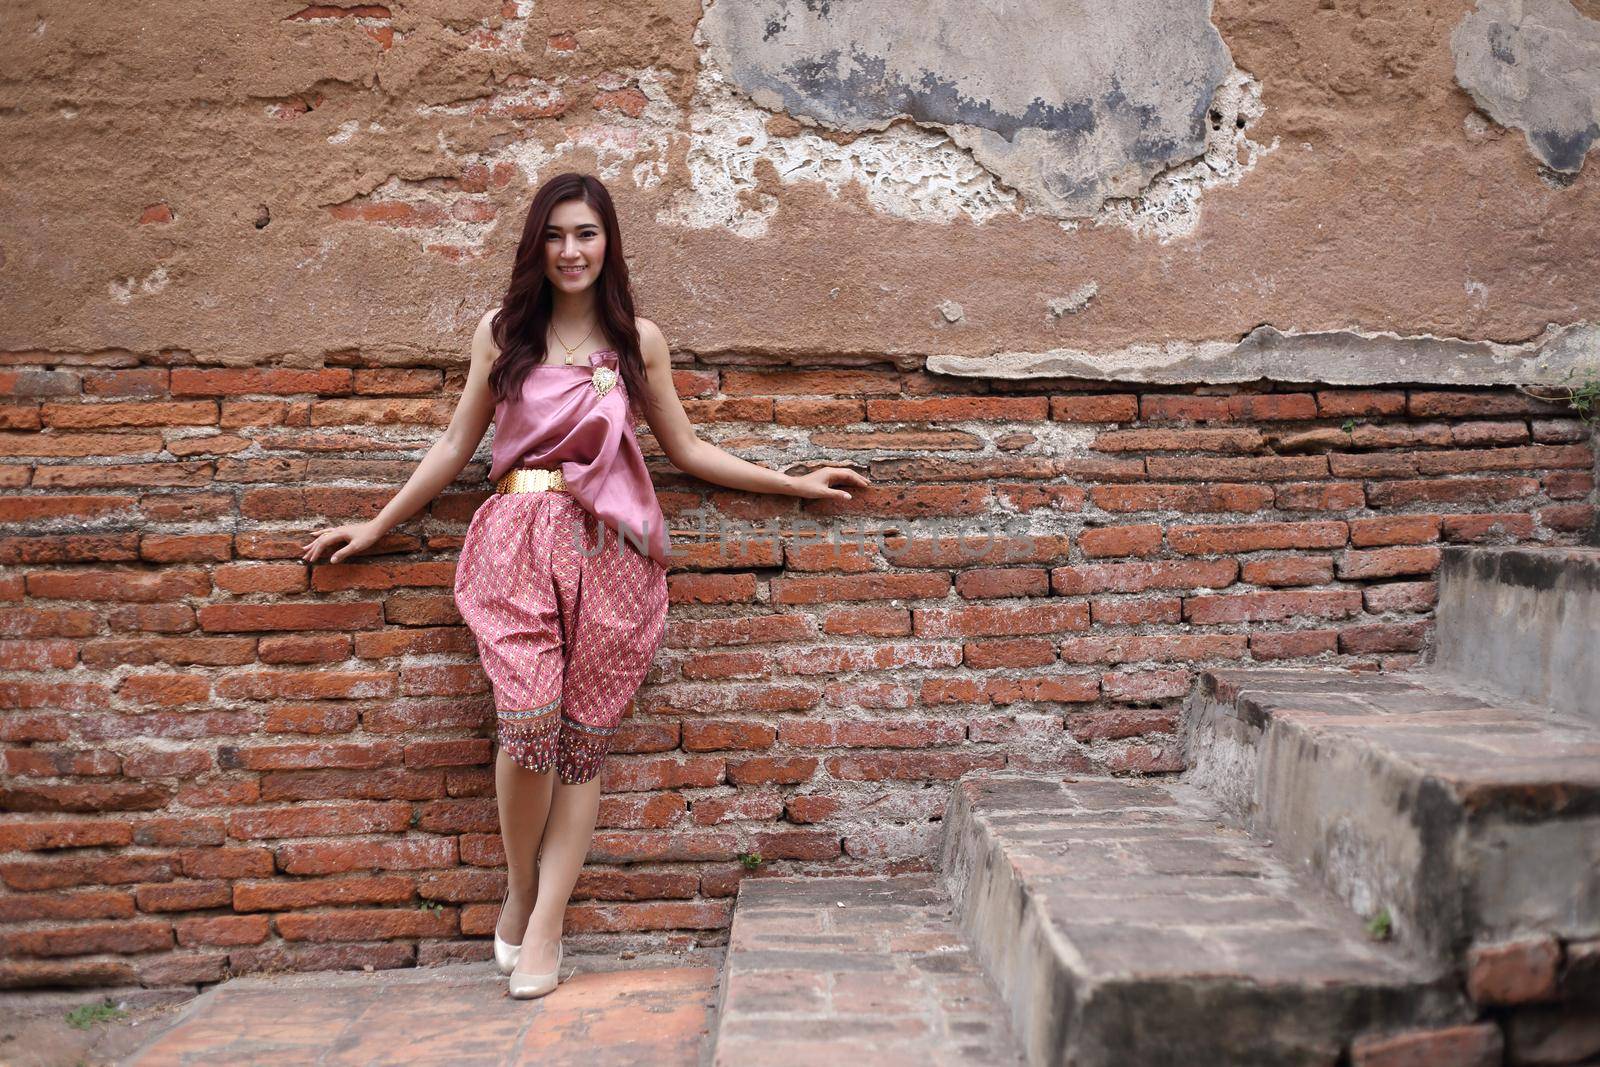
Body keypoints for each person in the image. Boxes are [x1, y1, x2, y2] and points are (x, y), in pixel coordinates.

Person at [297, 172, 868, 999]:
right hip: (516, 538)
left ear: (609, 244)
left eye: (587, 234)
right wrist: (377, 523)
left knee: (581, 739)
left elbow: (689, 450)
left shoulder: (640, 341)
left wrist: (796, 481)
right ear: (539, 244)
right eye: (558, 234)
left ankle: (549, 922)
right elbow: (456, 444)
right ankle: (520, 887)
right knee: (526, 720)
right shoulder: (502, 334)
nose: (572, 250)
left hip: (609, 547)